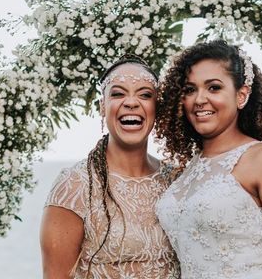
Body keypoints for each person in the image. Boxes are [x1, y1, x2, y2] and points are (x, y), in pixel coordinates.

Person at [155, 40, 262, 279]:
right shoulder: (186, 173)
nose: (199, 99)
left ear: (241, 95)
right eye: (189, 89)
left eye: (214, 88)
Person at [40, 55, 180, 279]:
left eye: (145, 94)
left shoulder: (176, 180)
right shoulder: (74, 186)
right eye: (118, 93)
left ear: (157, 107)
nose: (131, 102)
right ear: (102, 106)